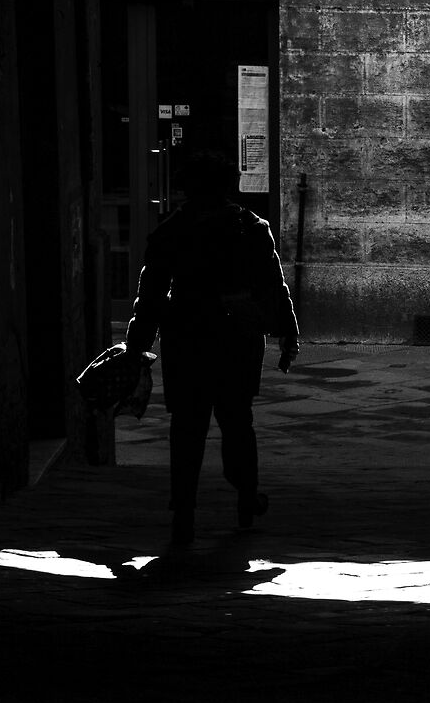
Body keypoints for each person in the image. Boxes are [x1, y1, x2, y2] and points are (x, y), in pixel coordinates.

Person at [124, 148, 301, 547]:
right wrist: (287, 332)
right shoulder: (251, 227)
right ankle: (244, 496)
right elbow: (273, 286)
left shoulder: (171, 230)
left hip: (186, 337)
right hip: (237, 338)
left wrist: (136, 346)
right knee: (238, 420)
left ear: (187, 188)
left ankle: (184, 512)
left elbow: (150, 295)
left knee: (187, 427)